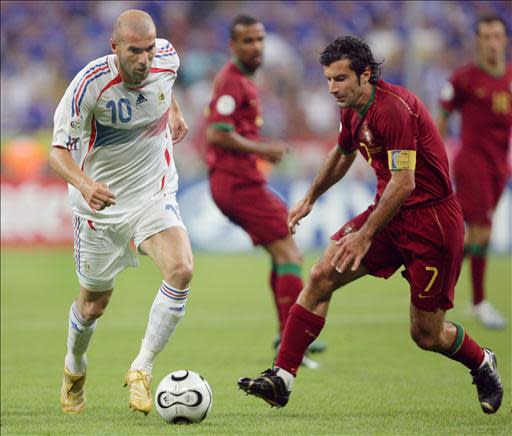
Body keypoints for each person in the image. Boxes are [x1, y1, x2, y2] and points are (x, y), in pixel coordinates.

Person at [238, 35, 503, 414]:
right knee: (321, 276)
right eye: (328, 79)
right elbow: (343, 152)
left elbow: (404, 181)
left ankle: (481, 362)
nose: (332, 88)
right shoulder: (352, 107)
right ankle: (282, 378)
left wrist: (365, 234)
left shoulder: (394, 109)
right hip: (390, 214)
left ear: (366, 75)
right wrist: (311, 197)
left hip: (432, 226)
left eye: (340, 79)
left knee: (426, 334)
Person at [49, 10, 192, 415]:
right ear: (115, 48)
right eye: (135, 51)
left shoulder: (166, 58)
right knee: (94, 304)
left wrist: (175, 112)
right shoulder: (88, 85)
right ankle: (74, 368)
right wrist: (86, 184)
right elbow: (57, 153)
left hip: (153, 193)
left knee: (181, 269)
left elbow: (166, 83)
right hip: (101, 208)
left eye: (149, 49)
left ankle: (141, 368)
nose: (145, 59)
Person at [205, 14, 325, 366]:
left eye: (260, 40)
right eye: (248, 41)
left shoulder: (243, 80)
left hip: (242, 182)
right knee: (290, 254)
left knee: (283, 251)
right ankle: (291, 343)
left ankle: (286, 337)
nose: (256, 47)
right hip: (235, 183)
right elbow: (216, 132)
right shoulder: (231, 81)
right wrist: (264, 150)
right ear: (233, 45)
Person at [438, 14, 511, 329]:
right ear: (477, 41)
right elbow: (440, 118)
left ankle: (439, 285)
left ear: (505, 40)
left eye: (497, 35)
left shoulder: (510, 78)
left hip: (499, 166)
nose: (492, 42)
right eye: (485, 36)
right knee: (481, 229)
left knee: (478, 234)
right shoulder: (464, 79)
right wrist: (433, 155)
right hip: (472, 163)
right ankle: (478, 302)